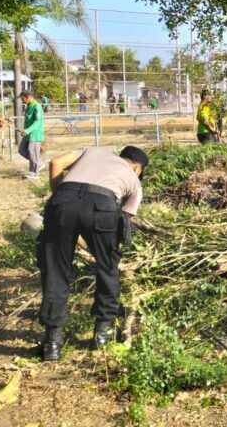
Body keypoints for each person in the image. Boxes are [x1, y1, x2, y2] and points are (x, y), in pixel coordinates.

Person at [36, 145, 148, 361]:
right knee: (108, 268)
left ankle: (52, 343)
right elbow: (123, 227)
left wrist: (62, 203)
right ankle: (102, 335)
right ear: (138, 168)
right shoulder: (134, 182)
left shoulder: (94, 150)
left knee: (55, 271)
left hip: (63, 200)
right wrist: (106, 249)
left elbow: (55, 163)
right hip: (103, 206)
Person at [18, 91, 45, 179]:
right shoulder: (28, 107)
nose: (22, 101)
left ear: (28, 97)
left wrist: (28, 130)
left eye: (22, 98)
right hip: (28, 134)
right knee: (22, 150)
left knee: (33, 153)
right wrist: (25, 131)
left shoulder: (37, 106)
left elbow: (37, 121)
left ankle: (34, 173)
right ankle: (39, 163)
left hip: (35, 134)